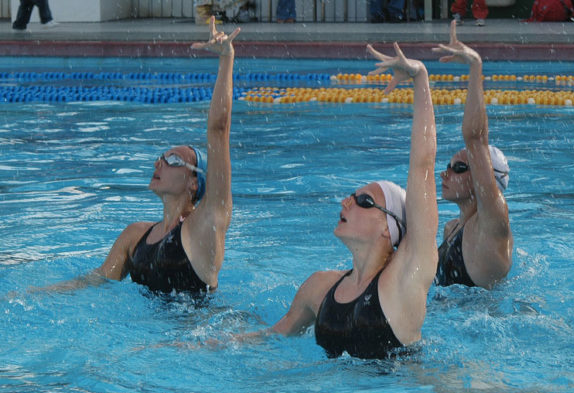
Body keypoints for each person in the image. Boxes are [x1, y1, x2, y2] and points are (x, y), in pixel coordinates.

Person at [245, 42, 438, 359]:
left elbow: (423, 165)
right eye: (350, 197)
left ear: (388, 228)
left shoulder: (406, 278)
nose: (346, 203)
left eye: (363, 201)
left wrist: (420, 78)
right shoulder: (319, 288)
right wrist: (197, 346)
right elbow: (270, 337)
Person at [37, 19, 238, 295]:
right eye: (161, 157)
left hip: (199, 335)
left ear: (194, 183)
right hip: (146, 334)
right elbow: (93, 282)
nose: (159, 163)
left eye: (174, 160)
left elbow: (219, 130)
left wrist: (226, 58)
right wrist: (26, 295)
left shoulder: (207, 224)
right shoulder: (135, 236)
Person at [432, 21, 513, 289]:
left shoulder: (492, 225)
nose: (445, 173)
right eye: (449, 166)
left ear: (484, 176)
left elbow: (476, 139)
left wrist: (475, 66)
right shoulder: (451, 229)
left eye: (458, 168)